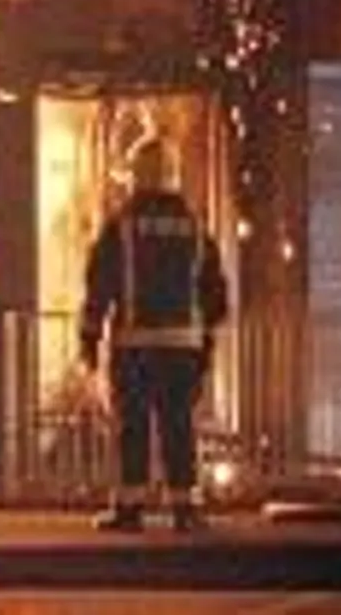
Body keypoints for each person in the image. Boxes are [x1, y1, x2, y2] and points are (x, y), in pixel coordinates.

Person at [78, 134, 229, 533]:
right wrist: (205, 339)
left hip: (135, 345)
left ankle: (131, 508)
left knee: (134, 426)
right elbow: (216, 294)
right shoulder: (196, 228)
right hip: (185, 348)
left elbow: (99, 287)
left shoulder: (122, 226)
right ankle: (186, 508)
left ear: (136, 175)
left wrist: (89, 342)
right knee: (180, 424)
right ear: (173, 175)